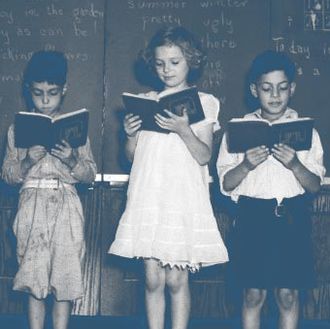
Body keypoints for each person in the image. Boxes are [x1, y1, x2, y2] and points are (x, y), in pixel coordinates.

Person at [109, 26, 228, 329]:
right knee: (152, 278)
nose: (167, 70)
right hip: (150, 196)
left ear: (191, 61)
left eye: (175, 62)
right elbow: (130, 157)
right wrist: (130, 135)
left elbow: (203, 156)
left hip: (182, 198)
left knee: (176, 278)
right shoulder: (145, 100)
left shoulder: (204, 102)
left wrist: (183, 129)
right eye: (160, 63)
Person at [216, 50, 325, 329]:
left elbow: (313, 186)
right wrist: (247, 165)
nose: (274, 95)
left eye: (282, 87)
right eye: (266, 88)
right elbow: (226, 184)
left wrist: (295, 164)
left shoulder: (306, 132)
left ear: (292, 89)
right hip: (253, 217)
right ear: (255, 90)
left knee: (288, 295)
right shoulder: (238, 131)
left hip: (292, 216)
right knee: (253, 295)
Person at [2, 50, 97, 329]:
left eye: (52, 93)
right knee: (34, 278)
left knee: (65, 277)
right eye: (38, 93)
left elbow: (89, 173)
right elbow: (7, 175)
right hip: (31, 208)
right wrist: (26, 160)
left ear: (64, 89)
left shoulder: (76, 129)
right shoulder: (16, 129)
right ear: (28, 90)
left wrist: (71, 159)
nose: (45, 100)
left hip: (66, 208)